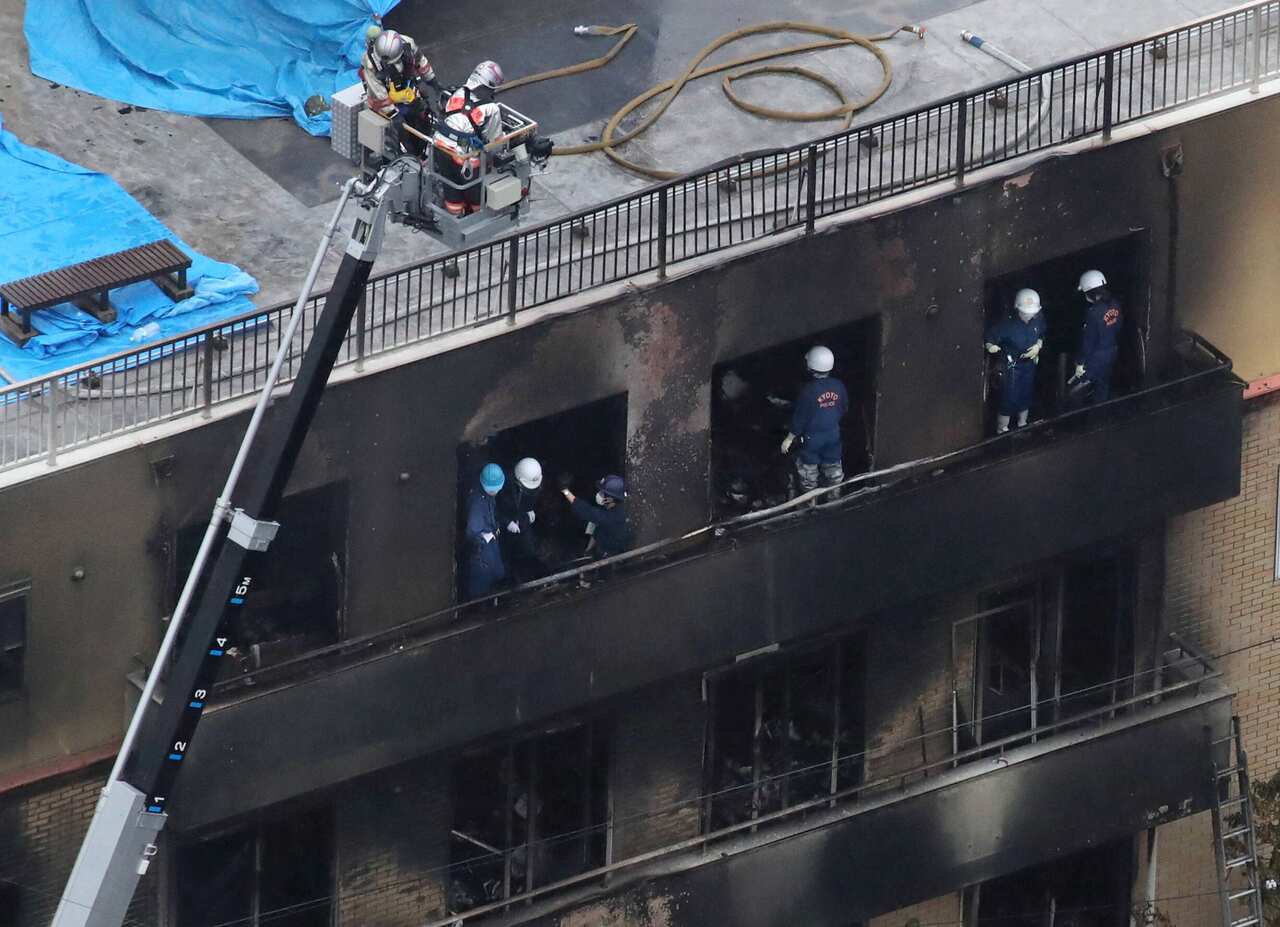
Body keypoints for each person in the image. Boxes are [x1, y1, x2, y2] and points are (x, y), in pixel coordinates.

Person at [433, 60, 506, 216]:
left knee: (450, 185)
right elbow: (495, 141)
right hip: (463, 157)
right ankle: (478, 216)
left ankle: (455, 214)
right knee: (475, 193)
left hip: (439, 146)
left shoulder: (458, 93)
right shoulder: (491, 108)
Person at [360, 28, 441, 155]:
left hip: (406, 91)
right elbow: (378, 93)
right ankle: (407, 156)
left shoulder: (408, 44)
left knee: (422, 116)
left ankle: (423, 149)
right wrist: (393, 114)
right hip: (385, 101)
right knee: (400, 132)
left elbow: (421, 62)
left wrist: (433, 82)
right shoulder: (370, 62)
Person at [780, 345, 849, 493]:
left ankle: (810, 506)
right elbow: (844, 408)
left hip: (812, 439)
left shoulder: (808, 391)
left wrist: (789, 438)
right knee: (834, 474)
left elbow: (800, 418)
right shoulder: (839, 385)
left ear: (810, 366)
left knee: (808, 476)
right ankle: (835, 503)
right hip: (833, 435)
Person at [984, 288, 1045, 433]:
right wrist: (991, 346)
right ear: (1018, 309)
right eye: (1025, 313)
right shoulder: (1006, 325)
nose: (1029, 316)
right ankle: (1002, 429)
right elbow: (989, 337)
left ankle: (1022, 424)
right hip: (1011, 367)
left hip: (1029, 365)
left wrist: (1038, 345)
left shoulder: (1038, 320)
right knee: (1008, 398)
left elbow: (1042, 333)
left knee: (1026, 395)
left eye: (1032, 313)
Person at [1071, 269, 1123, 403]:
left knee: (1079, 390)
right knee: (1103, 384)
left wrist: (1080, 363)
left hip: (1096, 357)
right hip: (1112, 350)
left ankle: (1088, 416)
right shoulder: (1115, 304)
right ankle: (1102, 410)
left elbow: (1088, 341)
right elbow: (1118, 326)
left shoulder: (1093, 313)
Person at [561, 475, 633, 559]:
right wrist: (588, 549)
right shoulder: (614, 508)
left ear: (610, 499)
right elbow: (597, 529)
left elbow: (585, 510)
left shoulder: (610, 517)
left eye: (603, 493)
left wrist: (565, 491)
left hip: (611, 555)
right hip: (605, 540)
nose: (599, 494)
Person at [463, 463, 506, 600]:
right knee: (482, 578)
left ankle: (495, 593)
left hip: (491, 537)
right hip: (481, 548)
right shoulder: (477, 504)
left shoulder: (487, 494)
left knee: (497, 571)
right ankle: (477, 603)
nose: (497, 492)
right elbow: (471, 533)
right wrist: (483, 537)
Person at [498, 457, 544, 583]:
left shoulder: (534, 480)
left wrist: (528, 509)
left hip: (521, 518)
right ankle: (508, 576)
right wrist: (506, 522)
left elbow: (529, 497)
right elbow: (494, 508)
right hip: (504, 524)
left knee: (528, 547)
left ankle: (532, 570)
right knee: (505, 551)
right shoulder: (503, 484)